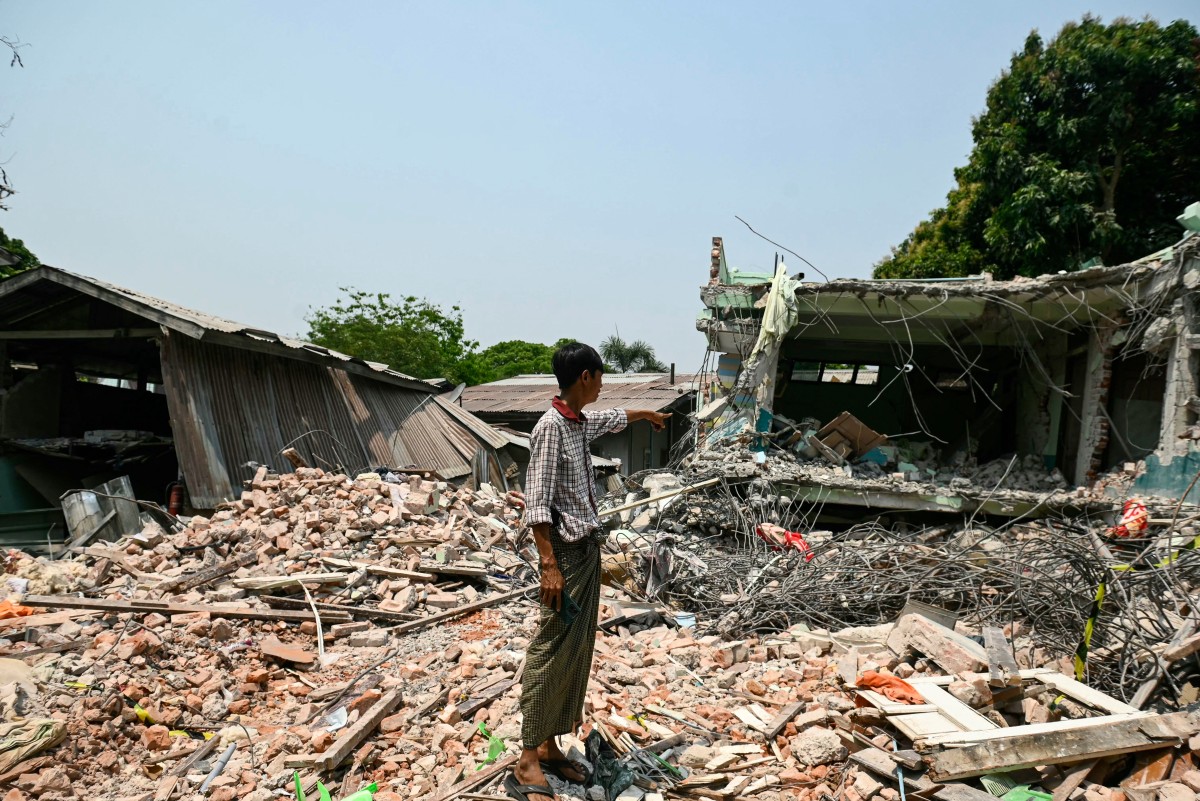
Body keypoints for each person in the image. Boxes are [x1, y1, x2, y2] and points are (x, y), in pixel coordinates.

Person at [506, 342, 671, 801]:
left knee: (576, 650)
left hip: (585, 552)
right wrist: (548, 565)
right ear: (585, 377)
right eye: (601, 377)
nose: (603, 385)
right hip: (563, 556)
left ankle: (549, 744)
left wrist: (647, 415)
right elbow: (537, 505)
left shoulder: (578, 422)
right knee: (552, 648)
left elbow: (614, 417)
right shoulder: (550, 429)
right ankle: (526, 760)